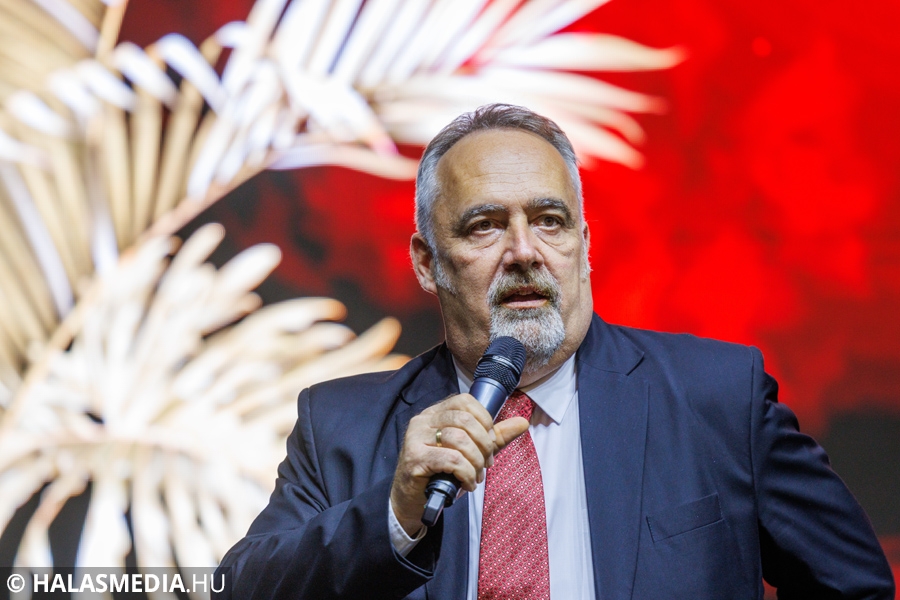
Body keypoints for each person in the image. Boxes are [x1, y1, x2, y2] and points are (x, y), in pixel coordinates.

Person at [216, 104, 894, 599]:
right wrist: (393, 516)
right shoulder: (342, 426)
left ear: (583, 244)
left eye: (549, 220)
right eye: (485, 226)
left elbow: (855, 586)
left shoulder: (717, 398)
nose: (524, 251)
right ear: (426, 262)